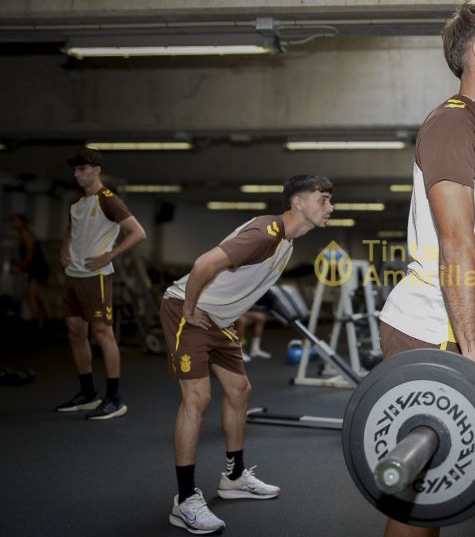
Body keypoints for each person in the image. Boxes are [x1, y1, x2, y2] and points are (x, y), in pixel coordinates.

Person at [378, 0, 475, 537]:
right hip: (430, 330)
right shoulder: (453, 121)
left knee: (435, 495)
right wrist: (470, 353)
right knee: (417, 501)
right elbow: (456, 243)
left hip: (456, 331)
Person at [161, 175, 333, 535]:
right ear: (298, 203)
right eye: (323, 199)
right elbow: (204, 264)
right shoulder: (265, 233)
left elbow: (246, 279)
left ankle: (235, 477)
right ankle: (185, 499)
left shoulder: (285, 244)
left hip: (220, 320)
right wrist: (190, 309)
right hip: (188, 311)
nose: (330, 207)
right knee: (197, 398)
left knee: (240, 391)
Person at [55, 148, 147, 420]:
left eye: (82, 169)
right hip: (73, 276)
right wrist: (64, 246)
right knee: (75, 331)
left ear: (96, 170)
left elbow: (138, 233)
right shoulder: (76, 204)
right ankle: (88, 394)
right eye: (75, 170)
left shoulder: (109, 200)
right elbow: (71, 228)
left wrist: (110, 255)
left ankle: (115, 399)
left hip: (96, 277)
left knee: (102, 332)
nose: (77, 174)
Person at [10, 213, 50, 326]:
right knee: (38, 296)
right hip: (36, 269)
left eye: (15, 221)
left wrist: (21, 267)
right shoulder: (22, 234)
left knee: (31, 295)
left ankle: (38, 321)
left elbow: (30, 254)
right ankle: (44, 321)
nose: (13, 223)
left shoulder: (26, 234)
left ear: (22, 222)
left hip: (37, 269)